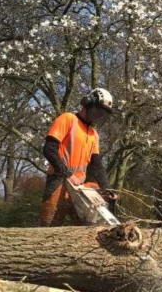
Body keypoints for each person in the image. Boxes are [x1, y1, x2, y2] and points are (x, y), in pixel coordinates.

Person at [38, 88, 116, 226]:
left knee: (88, 226)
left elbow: (96, 164)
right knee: (49, 225)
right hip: (59, 181)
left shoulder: (93, 134)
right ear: (88, 103)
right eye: (98, 110)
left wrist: (106, 188)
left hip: (80, 187)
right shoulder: (68, 119)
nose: (99, 115)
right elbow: (49, 149)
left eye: (103, 113)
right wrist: (68, 174)